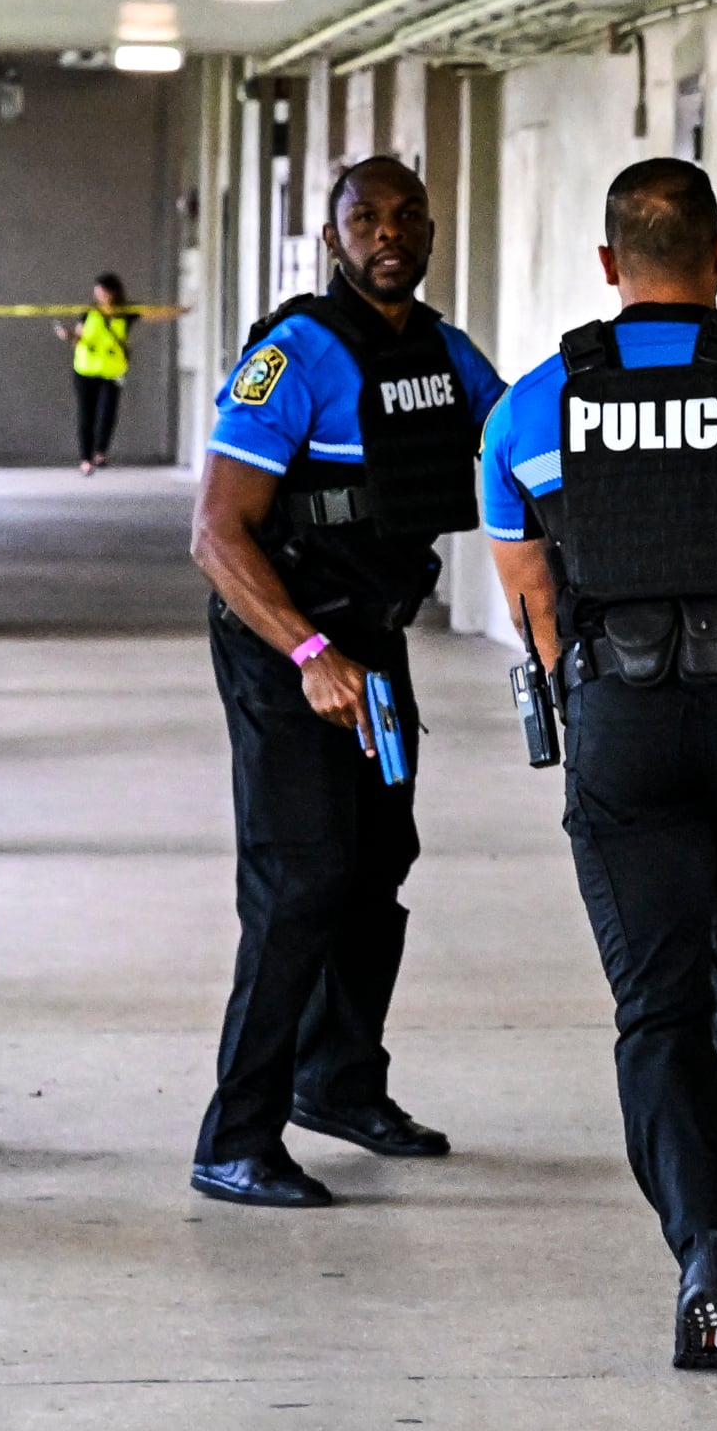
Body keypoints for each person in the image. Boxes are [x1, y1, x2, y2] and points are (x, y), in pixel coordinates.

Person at [477, 160, 717, 1366]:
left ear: (608, 266)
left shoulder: (532, 406)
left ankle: (700, 1239)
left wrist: (603, 686)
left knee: (656, 1004)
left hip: (622, 724)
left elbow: (531, 602)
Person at [185, 155, 506, 1209]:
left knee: (376, 864)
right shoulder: (295, 355)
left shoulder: (446, 352)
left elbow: (523, 446)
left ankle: (339, 1082)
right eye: (365, 218)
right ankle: (235, 1134)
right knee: (300, 880)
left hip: (374, 641)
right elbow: (217, 533)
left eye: (408, 214)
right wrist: (308, 655)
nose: (389, 233)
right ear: (333, 239)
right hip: (287, 643)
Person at [57, 271, 138, 471]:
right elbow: (78, 338)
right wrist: (67, 335)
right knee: (87, 414)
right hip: (86, 370)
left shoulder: (125, 314)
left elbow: (153, 313)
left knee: (108, 412)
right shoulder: (88, 313)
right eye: (98, 291)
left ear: (113, 292)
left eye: (103, 291)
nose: (100, 295)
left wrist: (184, 309)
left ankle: (101, 452)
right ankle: (86, 459)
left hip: (112, 372)